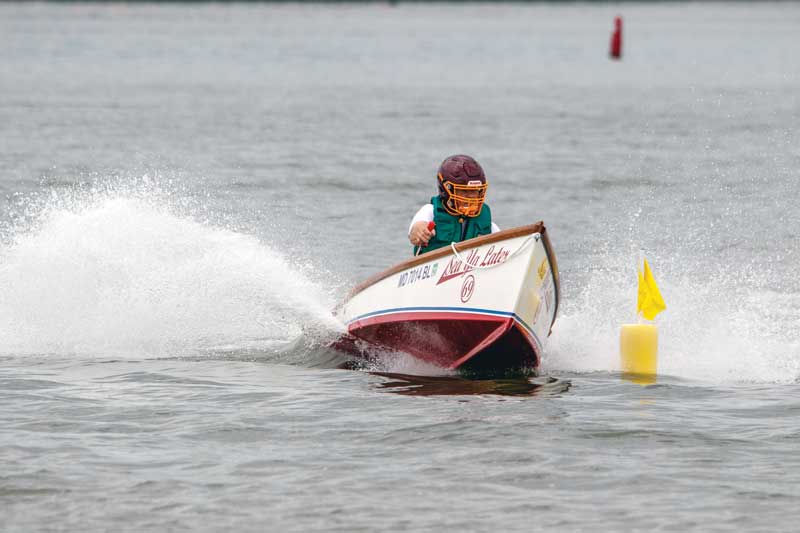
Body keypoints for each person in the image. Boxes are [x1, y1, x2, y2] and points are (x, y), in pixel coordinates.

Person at [408, 154, 500, 254]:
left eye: (474, 191)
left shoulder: (486, 221)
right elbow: (416, 229)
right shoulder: (430, 211)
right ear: (447, 190)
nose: (471, 196)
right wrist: (419, 232)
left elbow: (504, 244)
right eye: (464, 191)